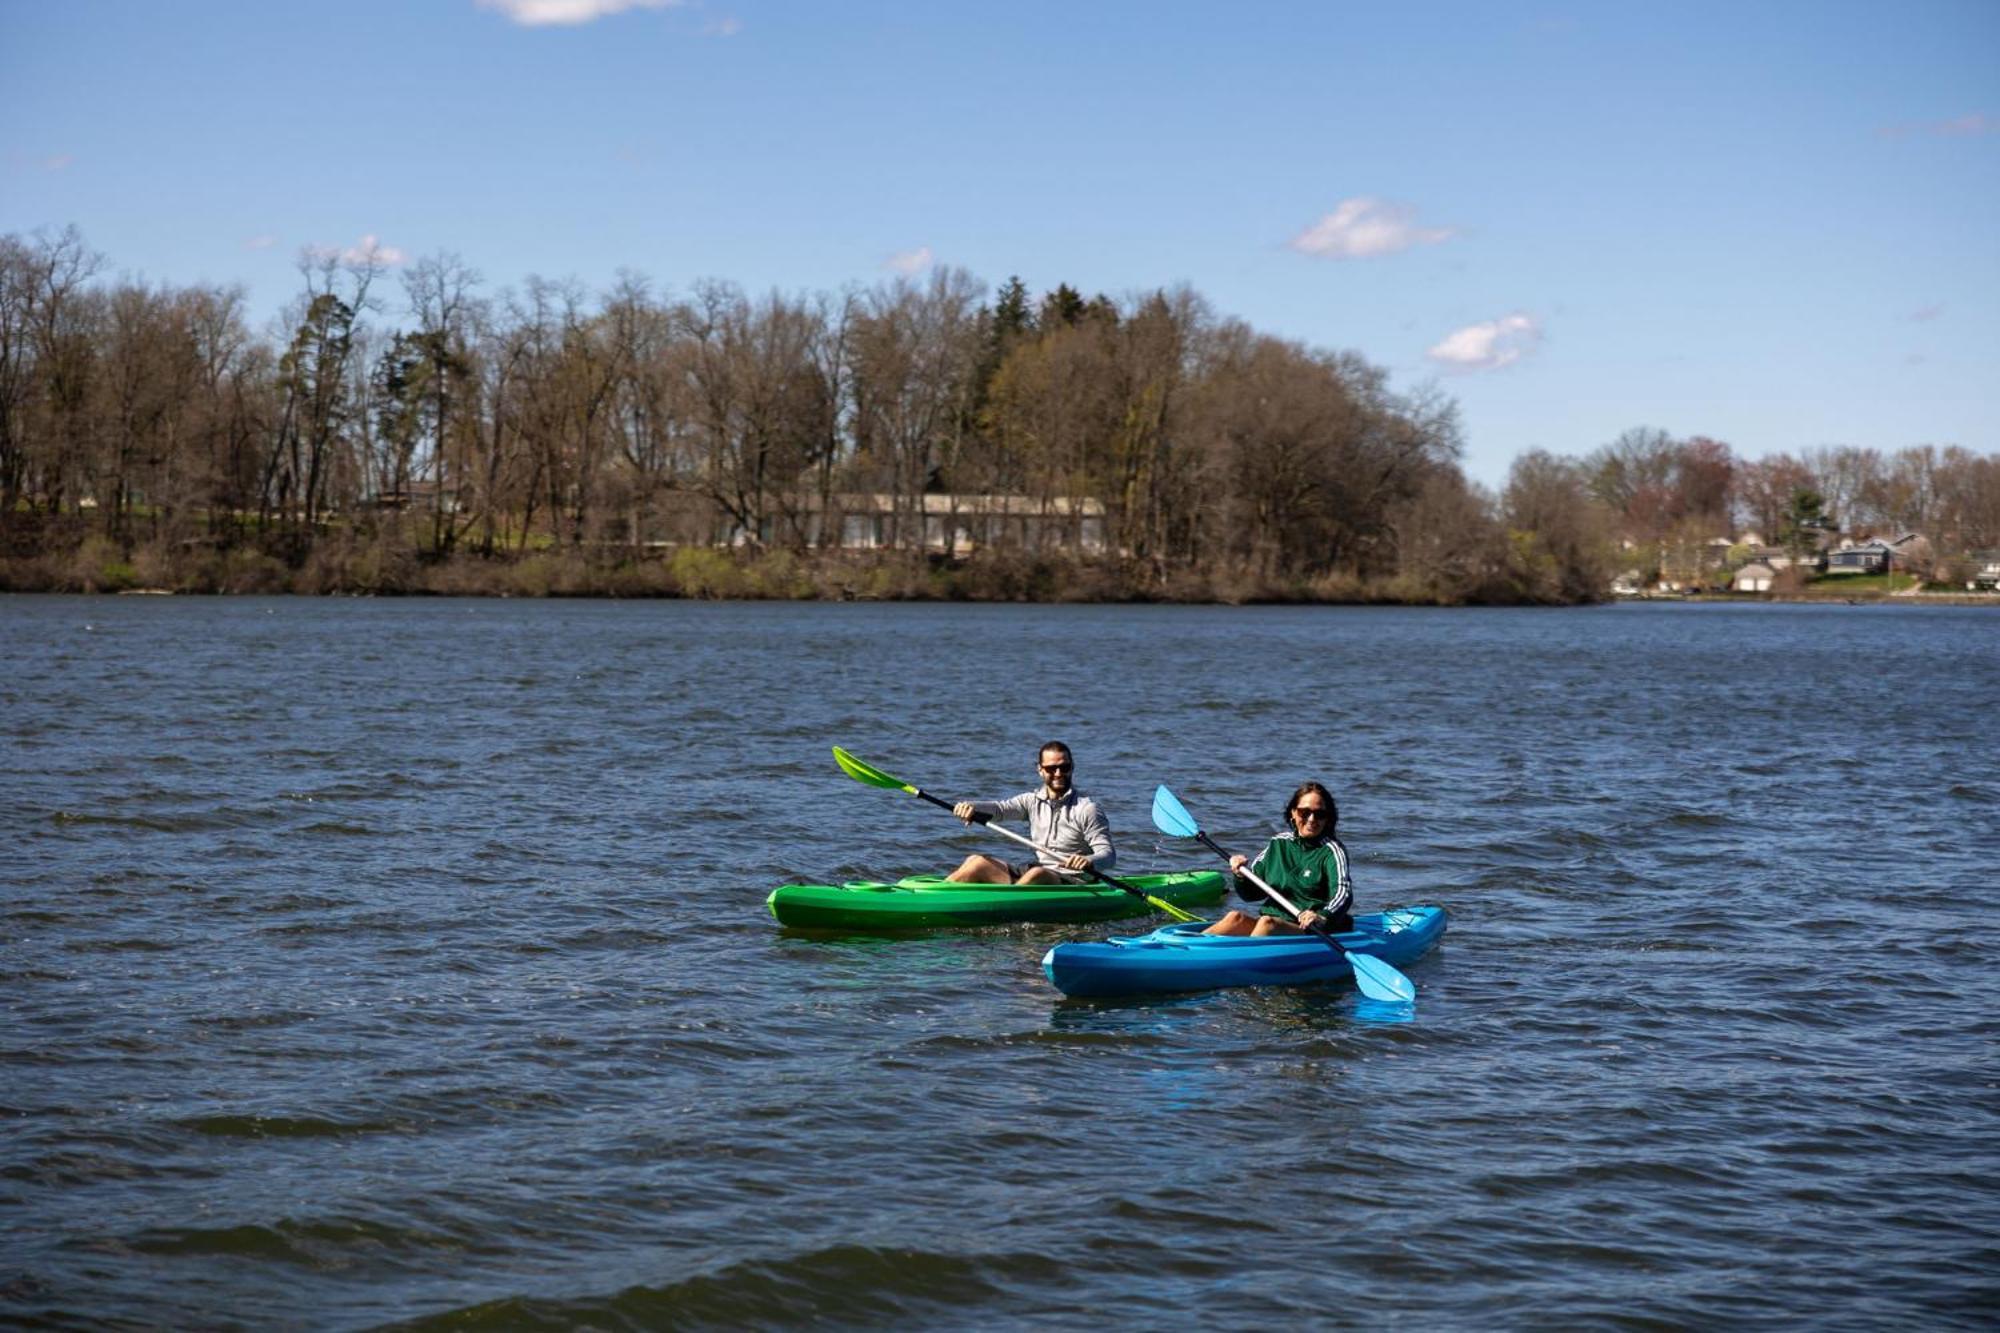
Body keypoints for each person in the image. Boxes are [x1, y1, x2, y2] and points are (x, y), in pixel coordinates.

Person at [945, 741, 1117, 885]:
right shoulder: (1031, 801)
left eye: (1064, 768)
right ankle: (934, 897)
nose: (1058, 774)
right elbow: (1000, 809)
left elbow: (1108, 854)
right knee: (976, 862)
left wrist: (1089, 861)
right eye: (1051, 769)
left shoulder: (1087, 809)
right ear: (1040, 770)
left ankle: (1005, 907)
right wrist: (970, 807)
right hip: (1037, 870)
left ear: (1072, 768)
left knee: (1037, 875)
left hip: (1072, 879)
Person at [1202, 781, 1353, 936]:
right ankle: (1187, 949)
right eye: (1305, 812)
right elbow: (1251, 895)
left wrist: (1322, 916)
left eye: (1319, 814)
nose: (1312, 819)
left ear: (1327, 818)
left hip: (1310, 928)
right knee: (1235, 917)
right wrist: (1240, 875)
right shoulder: (1278, 843)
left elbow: (1343, 893)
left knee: (1267, 924)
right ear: (1293, 813)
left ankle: (1244, 957)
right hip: (1272, 922)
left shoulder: (1332, 851)